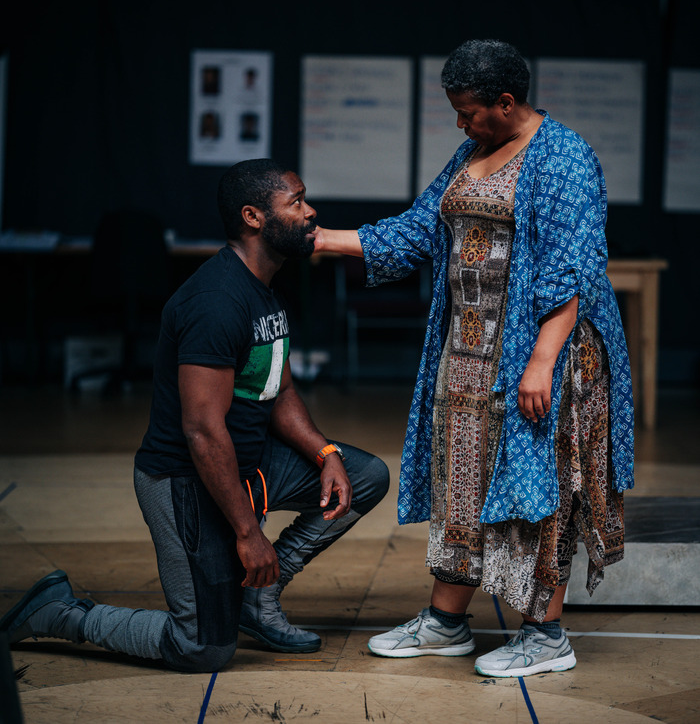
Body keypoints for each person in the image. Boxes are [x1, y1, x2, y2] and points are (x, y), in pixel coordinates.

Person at [313, 40, 634, 678]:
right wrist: (321, 240)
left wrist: (541, 360)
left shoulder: (564, 157)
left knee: (536, 493)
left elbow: (572, 267)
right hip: (466, 356)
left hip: (543, 357)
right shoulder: (473, 154)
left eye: (467, 112)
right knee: (460, 485)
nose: (459, 124)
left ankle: (546, 636)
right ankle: (447, 622)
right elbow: (418, 229)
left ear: (506, 102)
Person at [0, 159, 389, 672]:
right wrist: (249, 534)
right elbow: (203, 432)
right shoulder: (216, 301)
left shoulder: (265, 287)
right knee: (202, 647)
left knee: (363, 477)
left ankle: (257, 597)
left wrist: (325, 452)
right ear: (254, 217)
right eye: (295, 201)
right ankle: (60, 614)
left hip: (249, 462)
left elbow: (280, 385)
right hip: (185, 479)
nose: (309, 211)